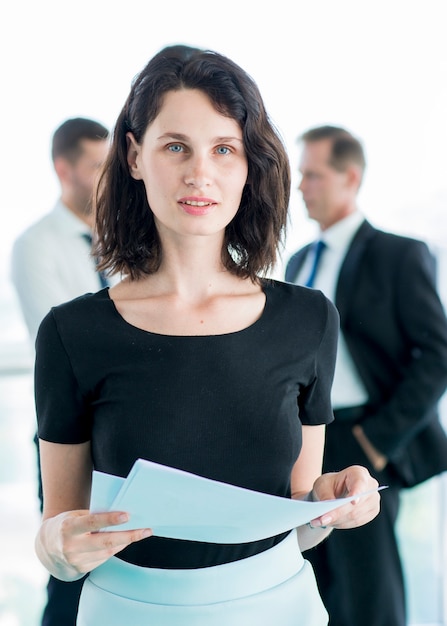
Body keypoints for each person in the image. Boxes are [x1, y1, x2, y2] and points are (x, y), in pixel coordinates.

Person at [33, 46, 380, 626]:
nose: (200, 173)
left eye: (224, 149)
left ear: (249, 166)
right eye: (176, 147)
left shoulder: (309, 319)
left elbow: (299, 525)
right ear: (135, 156)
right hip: (126, 612)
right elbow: (58, 535)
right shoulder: (73, 332)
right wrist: (60, 549)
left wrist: (336, 503)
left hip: (279, 607)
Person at [285, 125, 447, 626]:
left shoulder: (397, 253)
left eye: (313, 175)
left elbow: (438, 353)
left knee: (370, 591)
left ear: (349, 177)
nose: (301, 187)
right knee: (312, 581)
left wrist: (377, 441)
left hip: (364, 438)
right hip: (305, 441)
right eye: (300, 175)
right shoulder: (297, 264)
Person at [10, 117, 111, 626]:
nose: (106, 178)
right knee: (71, 572)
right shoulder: (35, 245)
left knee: (120, 569)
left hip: (121, 431)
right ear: (63, 168)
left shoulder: (126, 241)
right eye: (96, 166)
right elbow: (64, 349)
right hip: (67, 434)